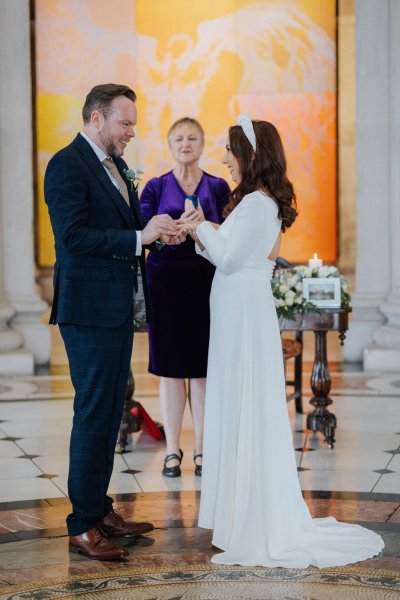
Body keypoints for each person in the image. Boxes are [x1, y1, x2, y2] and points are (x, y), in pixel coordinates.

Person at [179, 114, 384, 567]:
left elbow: (230, 259)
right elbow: (227, 253)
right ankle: (237, 516)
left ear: (250, 155)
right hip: (238, 313)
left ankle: (250, 521)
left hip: (243, 316)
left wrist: (198, 228)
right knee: (238, 403)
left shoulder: (256, 204)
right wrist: (202, 231)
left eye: (229, 152)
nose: (224, 159)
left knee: (243, 404)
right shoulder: (256, 201)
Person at [44, 84, 183, 561]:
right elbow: (73, 237)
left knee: (109, 415)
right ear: (96, 119)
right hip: (87, 311)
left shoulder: (117, 167)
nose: (132, 131)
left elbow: (123, 233)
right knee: (93, 413)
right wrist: (135, 236)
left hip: (116, 309)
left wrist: (155, 236)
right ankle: (82, 526)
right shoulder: (66, 164)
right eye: (125, 122)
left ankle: (100, 510)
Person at [140, 118, 230, 478]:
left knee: (203, 369)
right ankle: (173, 449)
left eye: (192, 137)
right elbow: (145, 231)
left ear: (203, 144)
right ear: (169, 144)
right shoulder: (155, 186)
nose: (185, 143)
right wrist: (168, 233)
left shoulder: (219, 186)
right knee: (171, 370)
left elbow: (230, 231)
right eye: (178, 138)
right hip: (165, 283)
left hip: (208, 283)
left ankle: (203, 450)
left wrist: (204, 225)